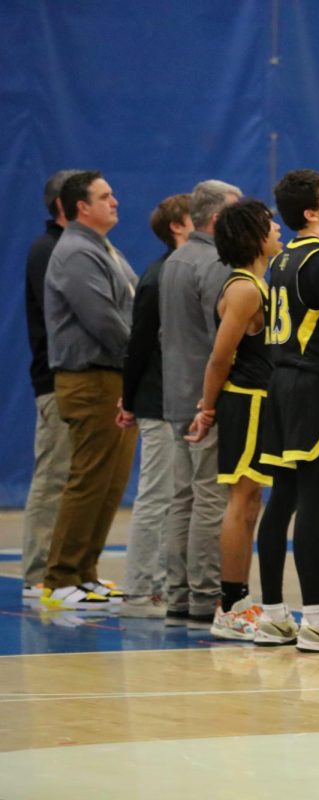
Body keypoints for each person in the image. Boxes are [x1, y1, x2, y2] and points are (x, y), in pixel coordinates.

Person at [254, 169, 319, 650]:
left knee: (283, 498)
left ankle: (273, 612)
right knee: (314, 501)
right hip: (313, 385)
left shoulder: (282, 260)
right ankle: (315, 617)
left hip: (279, 384)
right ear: (312, 212)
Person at [39, 171, 139, 609]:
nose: (115, 201)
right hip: (90, 377)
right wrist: (139, 365)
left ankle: (85, 572)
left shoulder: (102, 247)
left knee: (110, 480)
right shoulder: (77, 252)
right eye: (105, 196)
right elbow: (103, 321)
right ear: (82, 206)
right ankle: (59, 577)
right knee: (88, 479)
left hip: (111, 377)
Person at [186, 199, 281, 640]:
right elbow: (220, 357)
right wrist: (207, 408)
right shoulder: (244, 289)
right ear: (253, 237)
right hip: (245, 402)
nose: (278, 229)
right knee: (240, 503)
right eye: (269, 225)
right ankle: (230, 604)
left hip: (259, 401)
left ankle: (239, 600)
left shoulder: (260, 284)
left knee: (250, 503)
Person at [160, 179, 243, 623]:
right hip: (203, 399)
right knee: (210, 498)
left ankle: (178, 592)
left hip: (176, 393)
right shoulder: (213, 262)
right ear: (217, 219)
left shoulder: (175, 258)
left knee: (183, 498)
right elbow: (224, 338)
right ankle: (206, 593)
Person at [118, 193, 193, 617]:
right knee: (156, 495)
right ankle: (137, 590)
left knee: (178, 496)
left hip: (179, 400)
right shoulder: (160, 275)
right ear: (178, 227)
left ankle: (166, 584)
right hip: (157, 400)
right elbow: (139, 343)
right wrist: (130, 399)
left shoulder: (186, 270)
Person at [21, 170, 80, 600]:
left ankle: (70, 568)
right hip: (58, 379)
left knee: (75, 476)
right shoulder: (50, 251)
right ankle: (38, 569)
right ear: (66, 205)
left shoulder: (81, 248)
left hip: (80, 380)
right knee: (54, 474)